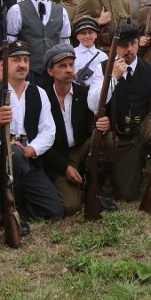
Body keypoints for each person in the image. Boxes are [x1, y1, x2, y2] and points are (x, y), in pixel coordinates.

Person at [87, 25, 151, 213]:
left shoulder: (149, 69)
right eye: (123, 45)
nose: (129, 49)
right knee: (127, 194)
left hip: (144, 125)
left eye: (133, 44)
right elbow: (93, 104)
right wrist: (113, 78)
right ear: (115, 47)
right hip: (119, 133)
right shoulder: (103, 69)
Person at [0, 41, 64, 226]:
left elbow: (48, 131)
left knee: (54, 211)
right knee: (15, 155)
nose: (22, 64)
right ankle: (2, 199)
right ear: (2, 65)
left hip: (29, 162)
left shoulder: (39, 93)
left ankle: (15, 202)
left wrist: (30, 150)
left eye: (25, 60)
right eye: (15, 60)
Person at [42, 44, 113, 216]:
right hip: (57, 157)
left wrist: (101, 124)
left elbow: (90, 127)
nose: (68, 70)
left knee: (108, 139)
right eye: (62, 66)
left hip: (80, 150)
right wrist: (64, 166)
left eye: (71, 65)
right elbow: (42, 144)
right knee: (71, 206)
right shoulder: (42, 97)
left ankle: (96, 188)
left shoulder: (84, 93)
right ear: (50, 71)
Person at [6, 0, 71, 88]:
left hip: (54, 73)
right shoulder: (17, 10)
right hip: (27, 72)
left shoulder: (61, 12)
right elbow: (10, 44)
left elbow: (65, 44)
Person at [72, 16, 107, 87]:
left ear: (96, 35)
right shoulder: (72, 54)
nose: (87, 36)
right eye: (83, 33)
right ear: (77, 36)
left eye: (90, 32)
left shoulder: (103, 56)